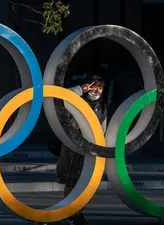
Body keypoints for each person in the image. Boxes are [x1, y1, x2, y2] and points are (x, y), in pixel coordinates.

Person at [54, 75, 107, 225]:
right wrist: (80, 90)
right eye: (93, 86)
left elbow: (103, 127)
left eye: (99, 87)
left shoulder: (101, 106)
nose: (96, 90)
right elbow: (61, 97)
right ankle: (70, 211)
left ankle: (77, 212)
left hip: (89, 148)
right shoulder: (78, 100)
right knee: (71, 180)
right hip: (72, 144)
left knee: (84, 182)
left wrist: (100, 147)